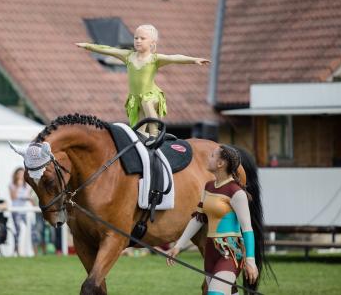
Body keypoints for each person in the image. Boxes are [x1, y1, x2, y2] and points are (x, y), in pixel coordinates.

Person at [76, 24, 210, 145]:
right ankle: (146, 148)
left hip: (152, 96)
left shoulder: (155, 59)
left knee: (147, 102)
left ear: (152, 43)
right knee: (137, 133)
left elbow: (174, 57)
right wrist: (88, 46)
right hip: (136, 100)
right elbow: (107, 49)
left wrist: (194, 60)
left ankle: (155, 134)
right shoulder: (128, 56)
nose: (138, 41)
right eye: (136, 38)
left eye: (142, 38)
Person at [166, 145, 259, 295]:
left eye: (212, 156)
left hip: (230, 253)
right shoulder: (208, 186)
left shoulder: (236, 192)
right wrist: (179, 245)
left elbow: (247, 229)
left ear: (220, 164)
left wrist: (251, 260)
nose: (207, 159)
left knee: (214, 293)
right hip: (210, 252)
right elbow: (198, 219)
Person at [9, 167, 32, 256]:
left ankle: (27, 250)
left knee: (28, 230)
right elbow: (13, 197)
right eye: (19, 174)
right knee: (18, 230)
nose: (20, 175)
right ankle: (17, 250)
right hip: (16, 210)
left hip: (25, 210)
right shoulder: (12, 185)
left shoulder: (27, 185)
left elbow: (29, 197)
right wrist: (18, 186)